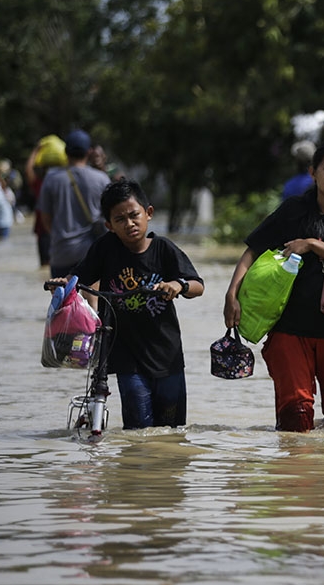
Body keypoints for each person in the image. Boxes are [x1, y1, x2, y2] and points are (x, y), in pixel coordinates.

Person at [224, 139, 324, 432]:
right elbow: (252, 251)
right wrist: (232, 293)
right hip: (291, 331)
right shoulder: (292, 211)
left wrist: (312, 244)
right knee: (294, 419)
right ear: (313, 172)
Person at [49, 179, 205, 429]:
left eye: (134, 215)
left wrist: (178, 286)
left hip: (167, 354)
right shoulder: (105, 249)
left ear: (148, 213)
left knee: (171, 430)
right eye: (120, 220)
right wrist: (62, 283)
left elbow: (197, 285)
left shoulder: (163, 249)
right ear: (109, 226)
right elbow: (79, 277)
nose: (129, 224)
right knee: (137, 429)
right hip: (125, 355)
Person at [37, 129, 111, 277]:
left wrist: (60, 236)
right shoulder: (102, 179)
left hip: (62, 253)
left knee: (64, 298)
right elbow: (110, 217)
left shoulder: (51, 179)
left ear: (65, 151)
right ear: (89, 152)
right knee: (95, 298)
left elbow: (45, 219)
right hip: (93, 253)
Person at [24, 135, 67, 267]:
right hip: (63, 231)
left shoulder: (42, 184)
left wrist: (36, 151)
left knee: (46, 268)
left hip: (44, 231)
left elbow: (28, 171)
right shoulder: (65, 182)